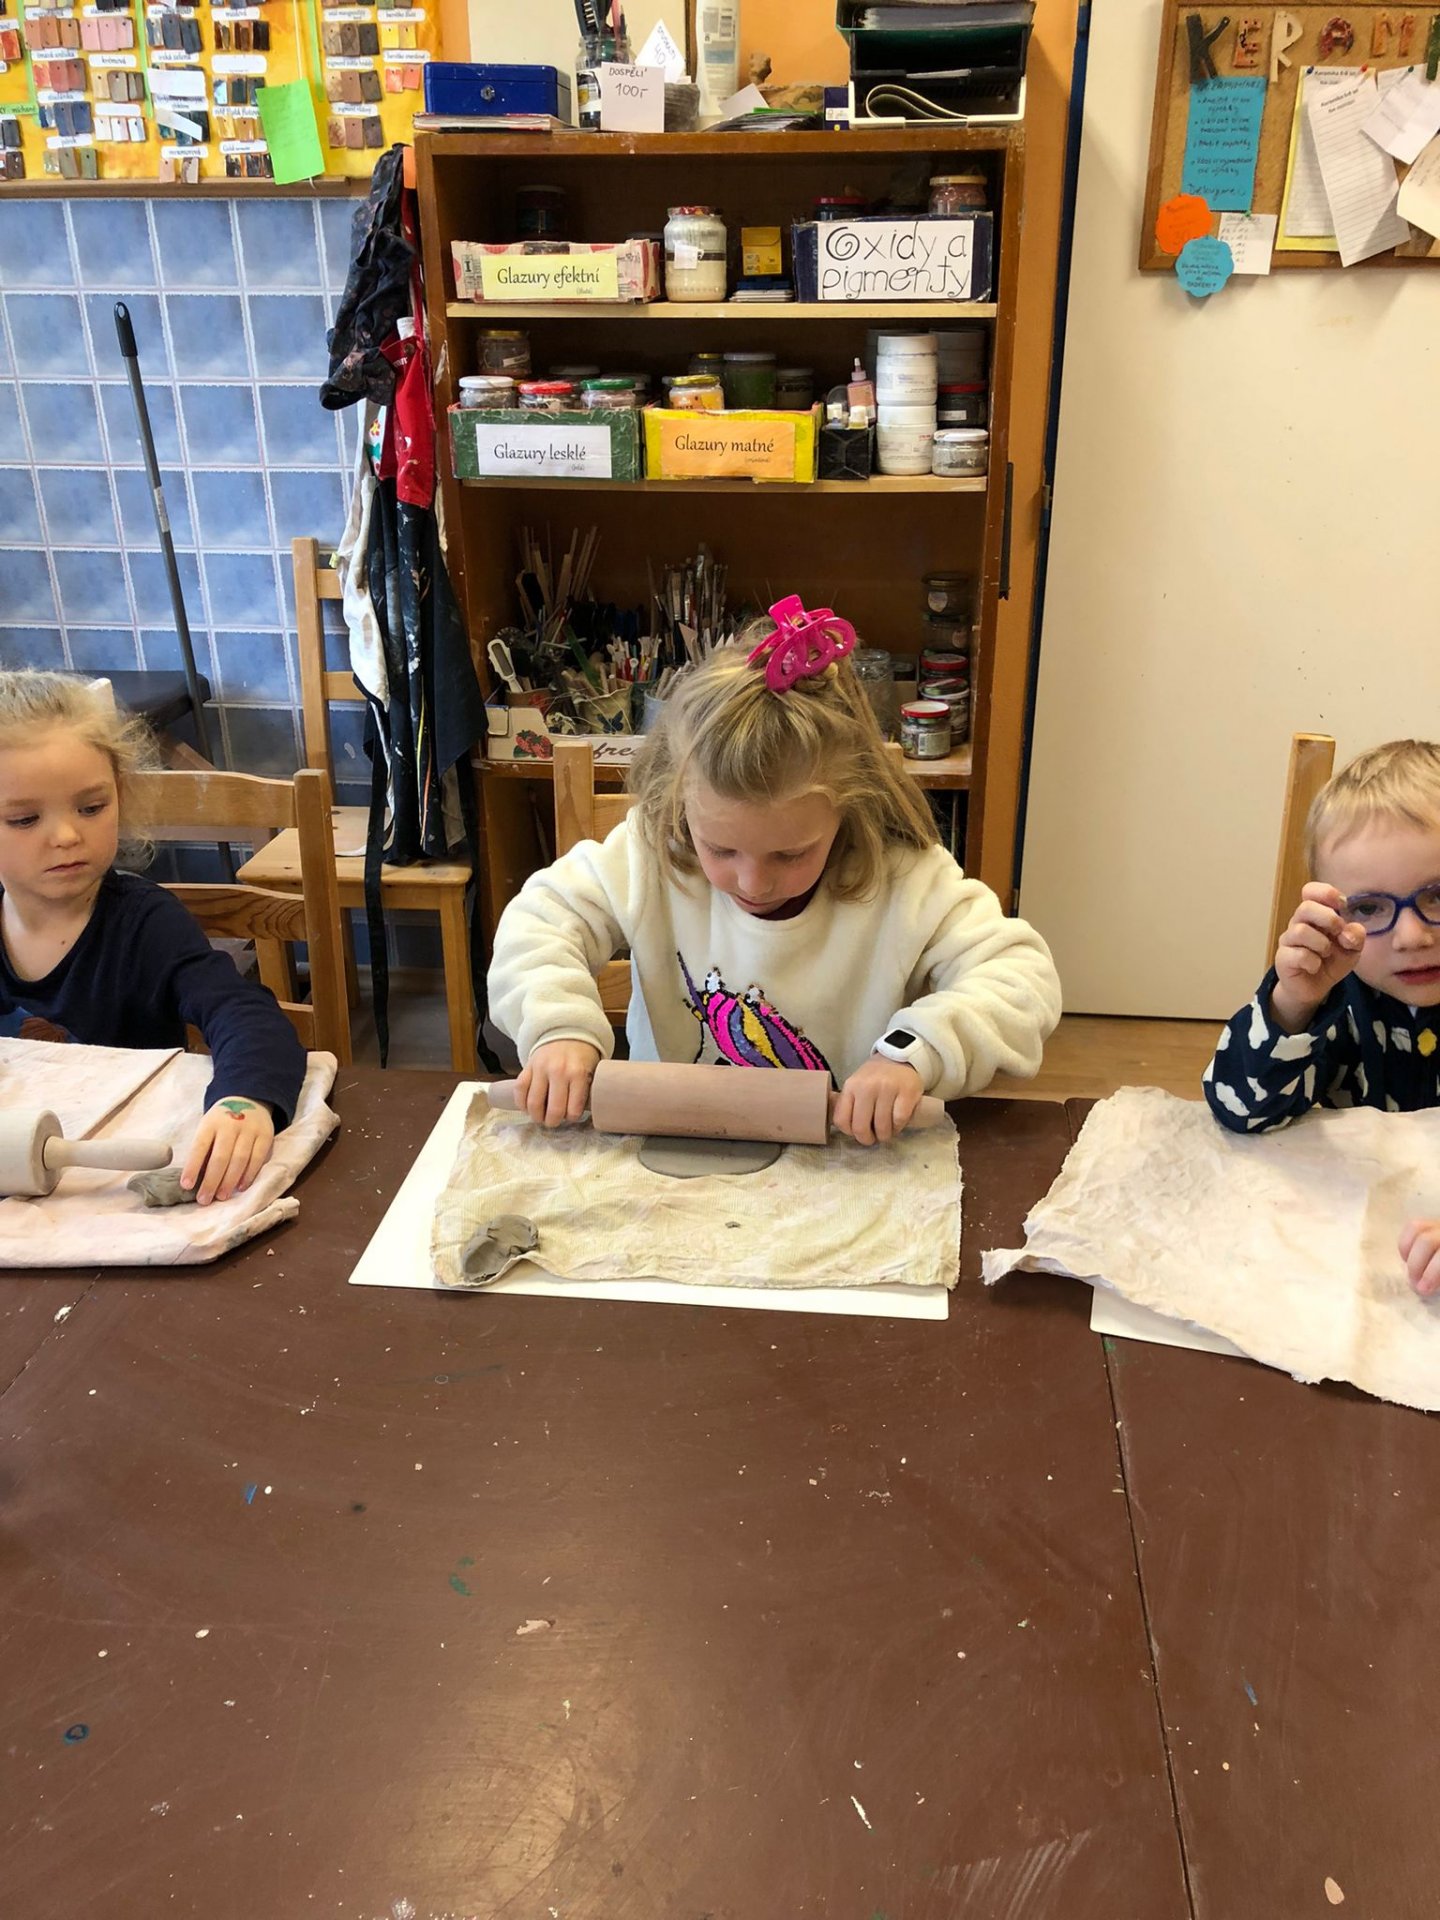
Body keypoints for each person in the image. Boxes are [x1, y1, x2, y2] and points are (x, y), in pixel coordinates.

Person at [488, 597, 1061, 1145]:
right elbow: (541, 921)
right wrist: (558, 1028)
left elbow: (1020, 978)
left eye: (790, 855)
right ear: (679, 804)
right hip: (666, 1142)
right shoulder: (652, 850)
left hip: (845, 1161)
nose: (753, 883)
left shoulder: (903, 878)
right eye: (720, 850)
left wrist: (915, 1053)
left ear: (850, 806)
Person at [0, 673, 306, 1205]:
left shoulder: (145, 924)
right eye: (25, 819)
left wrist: (244, 1101)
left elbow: (243, 1014)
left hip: (122, 1182)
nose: (67, 835)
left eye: (92, 808)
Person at [1203, 739, 1440, 1297]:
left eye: (1438, 897)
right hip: (1335, 1264)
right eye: (1369, 908)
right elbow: (1240, 1112)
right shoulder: (1334, 1002)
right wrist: (1293, 1005)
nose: (1412, 936)